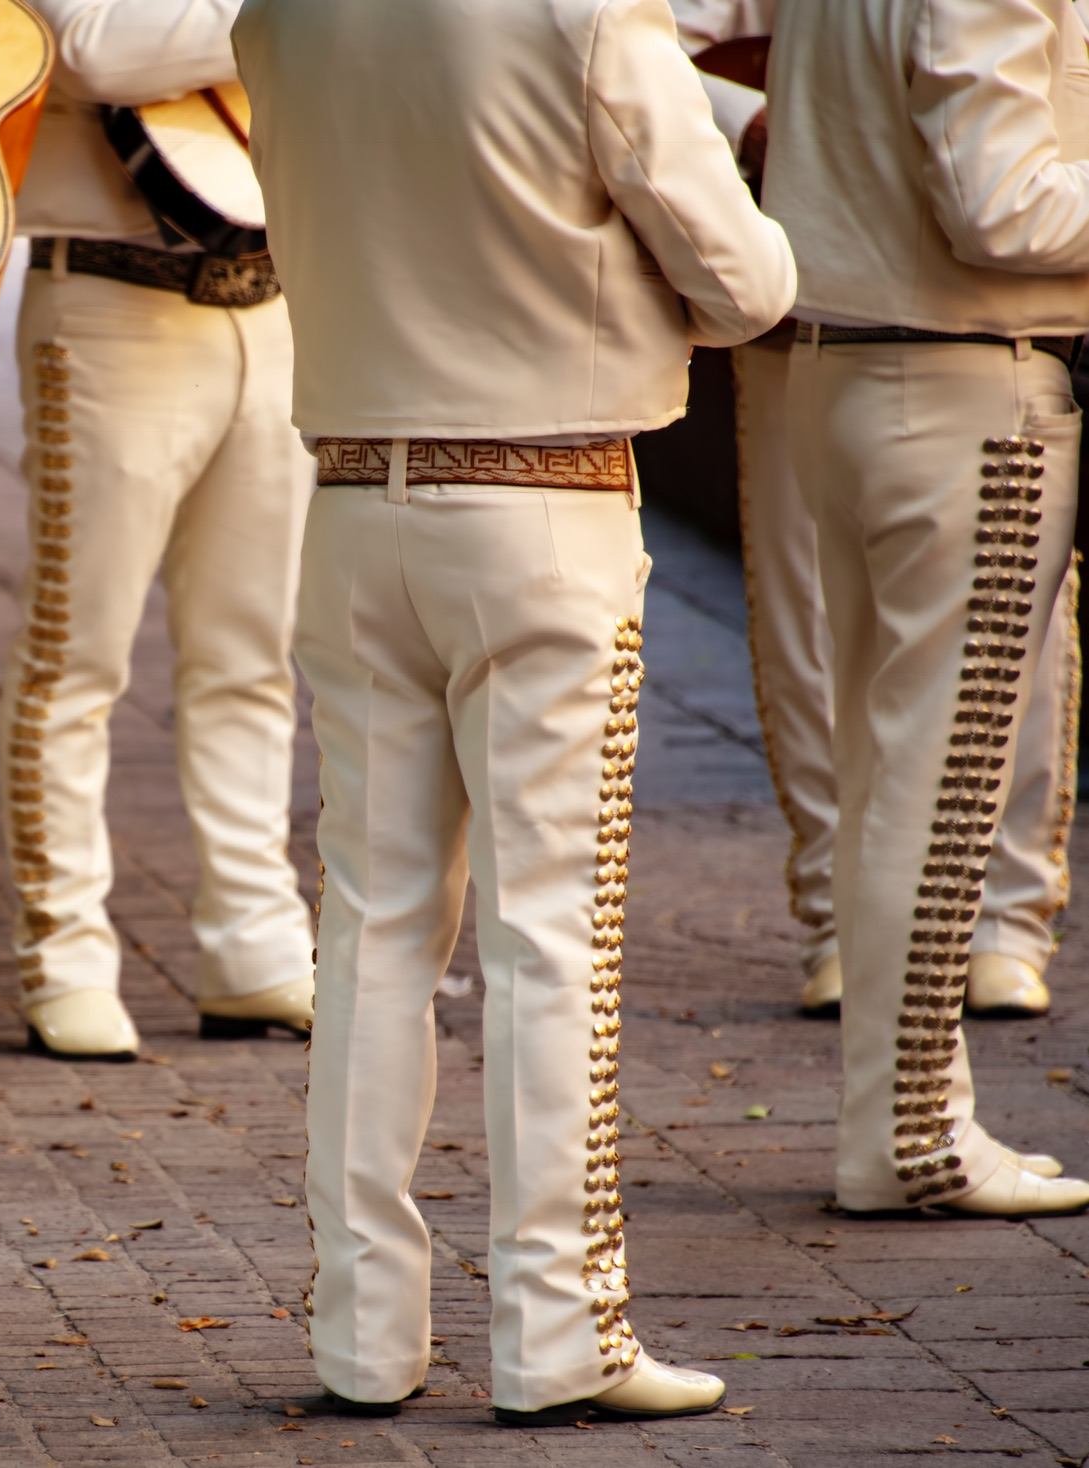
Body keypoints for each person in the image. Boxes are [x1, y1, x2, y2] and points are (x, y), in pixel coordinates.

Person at [237, 0, 796, 1421]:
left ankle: (361, 1334)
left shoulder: (277, 15)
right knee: (550, 934)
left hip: (357, 496)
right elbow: (747, 285)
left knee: (369, 929)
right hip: (543, 504)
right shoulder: (583, 10)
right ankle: (557, 1331)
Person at [673, 0, 1080, 1024]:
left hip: (898, 325)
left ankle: (995, 927)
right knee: (847, 653)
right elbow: (1000, 203)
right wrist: (752, 129)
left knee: (969, 676)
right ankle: (851, 939)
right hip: (873, 311)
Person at [767, 0, 1089, 1216]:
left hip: (858, 372)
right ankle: (918, 1140)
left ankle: (896, 1130)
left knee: (891, 772)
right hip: (967, 390)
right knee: (938, 783)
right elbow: (999, 205)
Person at [0, 0, 315, 1061]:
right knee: (75, 657)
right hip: (105, 303)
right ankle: (65, 954)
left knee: (252, 655)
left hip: (272, 300)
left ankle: (254, 946)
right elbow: (97, 50)